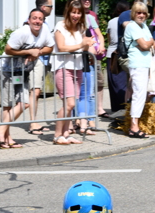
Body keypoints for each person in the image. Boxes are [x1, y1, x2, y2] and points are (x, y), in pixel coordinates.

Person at [0, 10, 52, 148]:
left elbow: (50, 47)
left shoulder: (45, 31)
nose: (37, 21)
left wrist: (39, 51)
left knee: (24, 103)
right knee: (8, 105)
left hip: (21, 72)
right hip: (7, 70)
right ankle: (6, 138)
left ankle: (0, 130)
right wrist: (28, 51)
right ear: (29, 20)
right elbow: (8, 49)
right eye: (34, 18)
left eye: (40, 19)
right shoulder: (22, 33)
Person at [52, 1, 93, 145]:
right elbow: (62, 47)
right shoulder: (60, 26)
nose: (76, 15)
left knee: (72, 103)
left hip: (77, 67)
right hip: (64, 67)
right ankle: (57, 135)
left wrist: (89, 47)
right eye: (73, 12)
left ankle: (65, 134)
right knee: (68, 103)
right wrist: (82, 45)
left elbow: (83, 48)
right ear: (68, 12)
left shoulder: (81, 28)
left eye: (78, 12)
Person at [123, 1, 154, 138]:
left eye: (143, 13)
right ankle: (133, 126)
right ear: (133, 13)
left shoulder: (144, 26)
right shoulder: (132, 26)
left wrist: (147, 44)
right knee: (138, 95)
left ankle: (135, 124)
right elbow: (145, 45)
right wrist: (147, 44)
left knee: (141, 94)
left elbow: (150, 41)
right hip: (137, 64)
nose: (141, 15)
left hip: (144, 63)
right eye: (138, 12)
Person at [77, 0, 105, 135]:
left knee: (91, 92)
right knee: (80, 93)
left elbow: (99, 35)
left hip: (91, 59)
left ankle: (91, 119)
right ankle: (80, 119)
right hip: (80, 59)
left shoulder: (90, 18)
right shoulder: (74, 22)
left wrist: (101, 45)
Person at [28, 0, 53, 135]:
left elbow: (50, 44)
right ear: (44, 7)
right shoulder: (31, 22)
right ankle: (33, 123)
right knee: (34, 92)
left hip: (40, 60)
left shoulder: (45, 23)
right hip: (33, 62)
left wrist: (41, 51)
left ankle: (34, 121)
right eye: (51, 6)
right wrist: (38, 51)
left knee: (35, 92)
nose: (52, 9)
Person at [106, 1, 131, 114]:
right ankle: (125, 108)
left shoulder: (111, 22)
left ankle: (116, 109)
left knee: (114, 84)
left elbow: (110, 40)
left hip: (112, 55)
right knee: (125, 84)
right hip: (126, 54)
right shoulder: (130, 22)